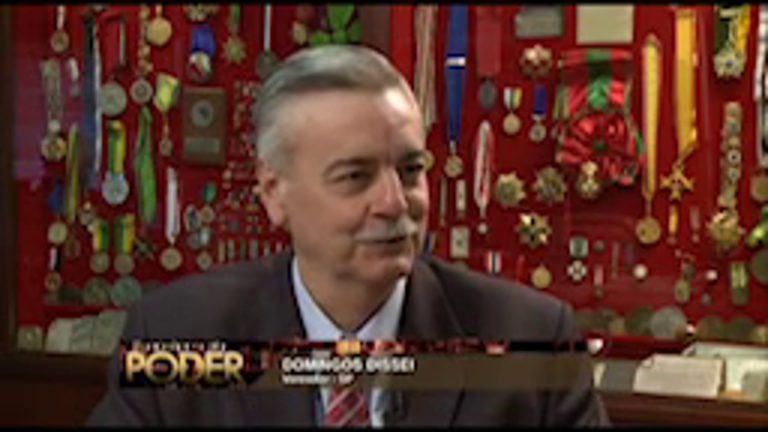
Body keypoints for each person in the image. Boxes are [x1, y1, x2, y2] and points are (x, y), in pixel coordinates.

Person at [87, 44, 609, 427]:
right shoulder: (177, 340)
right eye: (355, 176)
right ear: (274, 193)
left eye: (410, 171)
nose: (395, 202)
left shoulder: (531, 344)